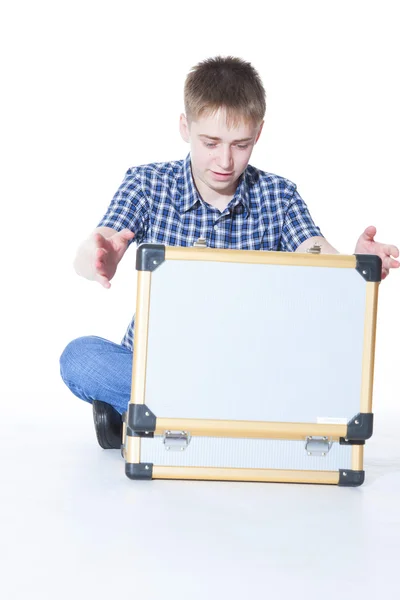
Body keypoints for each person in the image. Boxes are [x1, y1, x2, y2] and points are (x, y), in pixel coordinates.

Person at [59, 56, 399, 450]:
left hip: (245, 366)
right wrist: (98, 255)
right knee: (79, 359)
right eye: (211, 143)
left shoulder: (279, 195)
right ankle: (217, 419)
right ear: (185, 127)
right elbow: (93, 249)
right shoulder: (147, 183)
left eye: (240, 145)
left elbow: (317, 255)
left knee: (304, 371)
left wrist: (354, 264)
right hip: (155, 366)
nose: (224, 161)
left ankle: (154, 418)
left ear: (259, 133)